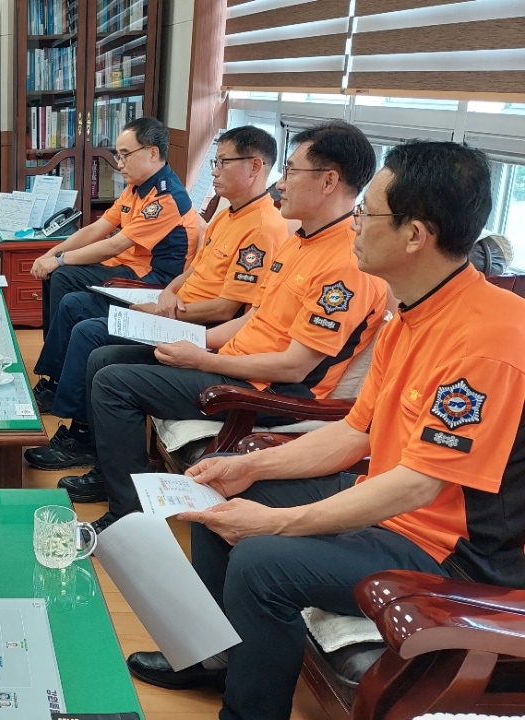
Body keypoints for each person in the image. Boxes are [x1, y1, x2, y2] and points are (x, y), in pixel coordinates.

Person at [126, 140, 525, 720]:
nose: (354, 223)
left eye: (368, 212)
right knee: (222, 498)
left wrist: (276, 523)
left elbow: (419, 485)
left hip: (452, 554)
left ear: (415, 235)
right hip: (391, 507)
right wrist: (248, 466)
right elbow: (355, 434)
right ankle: (213, 658)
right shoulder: (411, 314)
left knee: (261, 562)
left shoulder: (490, 343)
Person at [63, 121, 390, 516]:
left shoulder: (346, 265)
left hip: (272, 391)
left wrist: (201, 359)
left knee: (115, 383)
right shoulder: (299, 242)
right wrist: (188, 340)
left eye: (290, 171)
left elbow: (294, 367)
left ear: (329, 181)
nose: (280, 184)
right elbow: (254, 318)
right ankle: (111, 473)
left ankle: (128, 513)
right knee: (105, 356)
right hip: (234, 363)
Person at [27, 126, 288, 470]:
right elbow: (193, 269)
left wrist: (164, 312)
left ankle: (81, 437)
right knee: (79, 311)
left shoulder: (263, 228)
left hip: (196, 322)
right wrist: (168, 293)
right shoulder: (227, 215)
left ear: (255, 167)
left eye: (223, 162)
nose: (214, 171)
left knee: (89, 330)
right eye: (215, 161)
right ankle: (72, 415)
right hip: (171, 304)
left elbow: (227, 310)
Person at [29, 116, 198, 397]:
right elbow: (97, 229)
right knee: (56, 274)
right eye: (118, 155)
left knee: (63, 274)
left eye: (125, 155)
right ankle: (56, 366)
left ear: (152, 152)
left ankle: (55, 377)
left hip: (151, 281)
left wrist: (59, 260)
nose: (119, 164)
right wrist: (51, 253)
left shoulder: (165, 198)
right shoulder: (137, 188)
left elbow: (113, 245)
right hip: (127, 268)